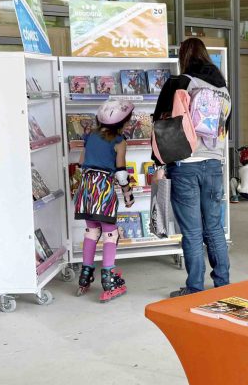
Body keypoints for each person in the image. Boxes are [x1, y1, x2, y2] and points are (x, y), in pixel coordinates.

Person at [153, 37, 231, 297]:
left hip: (186, 164)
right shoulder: (222, 87)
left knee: (193, 231)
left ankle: (195, 288)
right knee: (214, 228)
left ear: (183, 56)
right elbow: (225, 127)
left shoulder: (181, 82)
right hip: (214, 163)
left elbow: (162, 124)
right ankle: (223, 284)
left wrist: (159, 163)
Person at [74, 96, 135, 302]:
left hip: (86, 187)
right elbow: (120, 172)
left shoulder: (90, 135)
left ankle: (85, 275)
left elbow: (81, 163)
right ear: (123, 123)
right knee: (111, 233)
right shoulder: (119, 141)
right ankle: (108, 278)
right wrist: (127, 194)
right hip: (103, 188)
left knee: (92, 231)